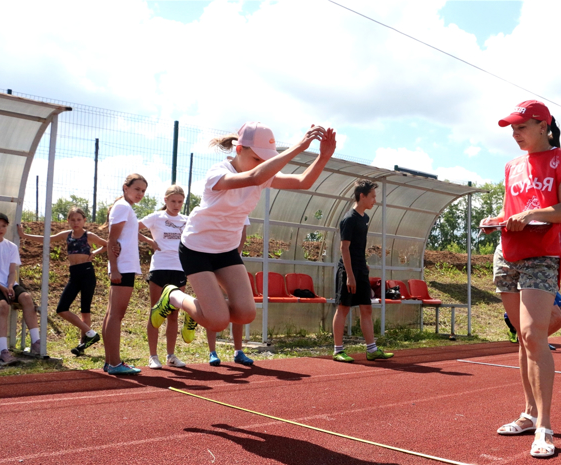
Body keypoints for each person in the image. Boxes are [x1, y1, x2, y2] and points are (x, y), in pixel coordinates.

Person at [150, 122, 336, 345]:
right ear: (239, 150)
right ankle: (173, 295)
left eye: (265, 159)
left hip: (226, 251)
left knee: (246, 314)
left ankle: (200, 310)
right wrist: (298, 147)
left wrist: (323, 156)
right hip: (196, 249)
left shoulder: (262, 174)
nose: (262, 165)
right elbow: (255, 177)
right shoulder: (217, 174)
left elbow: (303, 181)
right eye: (257, 159)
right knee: (217, 321)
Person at [481, 100, 561, 458]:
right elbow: (513, 210)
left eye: (521, 127)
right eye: (512, 128)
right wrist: (497, 220)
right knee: (522, 340)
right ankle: (527, 413)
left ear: (543, 125)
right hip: (506, 253)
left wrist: (531, 213)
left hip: (542, 254)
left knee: (532, 335)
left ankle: (545, 425)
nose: (515, 134)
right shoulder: (512, 166)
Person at [17, 207, 107, 356]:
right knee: (61, 309)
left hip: (87, 273)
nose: (76, 222)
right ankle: (91, 333)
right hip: (74, 274)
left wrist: (94, 253)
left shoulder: (88, 235)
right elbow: (48, 239)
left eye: (79, 219)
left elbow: (107, 244)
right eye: (72, 219)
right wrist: (24, 235)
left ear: (84, 220)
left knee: (85, 309)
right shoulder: (67, 235)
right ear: (68, 221)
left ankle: (82, 345)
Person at [332, 179, 394, 363]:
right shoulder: (349, 219)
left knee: (366, 308)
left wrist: (363, 264)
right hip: (348, 271)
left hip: (360, 269)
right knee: (343, 308)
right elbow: (344, 248)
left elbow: (358, 246)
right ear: (362, 196)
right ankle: (337, 351)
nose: (375, 200)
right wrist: (350, 275)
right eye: (372, 196)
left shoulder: (365, 218)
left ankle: (372, 349)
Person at [0, 213, 42, 365]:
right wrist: (2, 287)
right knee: (3, 306)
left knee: (26, 298)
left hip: (8, 284)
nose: (0, 228)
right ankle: (3, 353)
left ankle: (37, 344)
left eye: (3, 226)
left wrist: (10, 286)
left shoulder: (11, 246)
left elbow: (12, 272)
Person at [139, 185, 189, 369]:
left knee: (173, 314)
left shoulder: (187, 220)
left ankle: (171, 355)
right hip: (160, 267)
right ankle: (153, 356)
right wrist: (148, 241)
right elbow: (131, 227)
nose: (176, 205)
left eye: (180, 202)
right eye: (173, 201)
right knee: (155, 312)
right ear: (165, 200)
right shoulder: (156, 217)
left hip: (179, 269)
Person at [102, 173, 148, 375]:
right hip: (123, 267)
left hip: (124, 266)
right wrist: (115, 268)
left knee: (111, 314)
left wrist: (150, 241)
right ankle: (114, 363)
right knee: (116, 316)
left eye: (143, 191)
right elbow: (112, 240)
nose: (140, 193)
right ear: (125, 187)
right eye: (137, 189)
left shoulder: (125, 207)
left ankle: (110, 361)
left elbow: (124, 236)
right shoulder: (122, 206)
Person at [205, 223, 254, 367]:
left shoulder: (242, 207)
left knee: (238, 306)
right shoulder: (214, 207)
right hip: (210, 261)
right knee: (212, 306)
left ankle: (238, 351)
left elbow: (243, 235)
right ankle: (212, 352)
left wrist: (231, 258)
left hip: (232, 263)